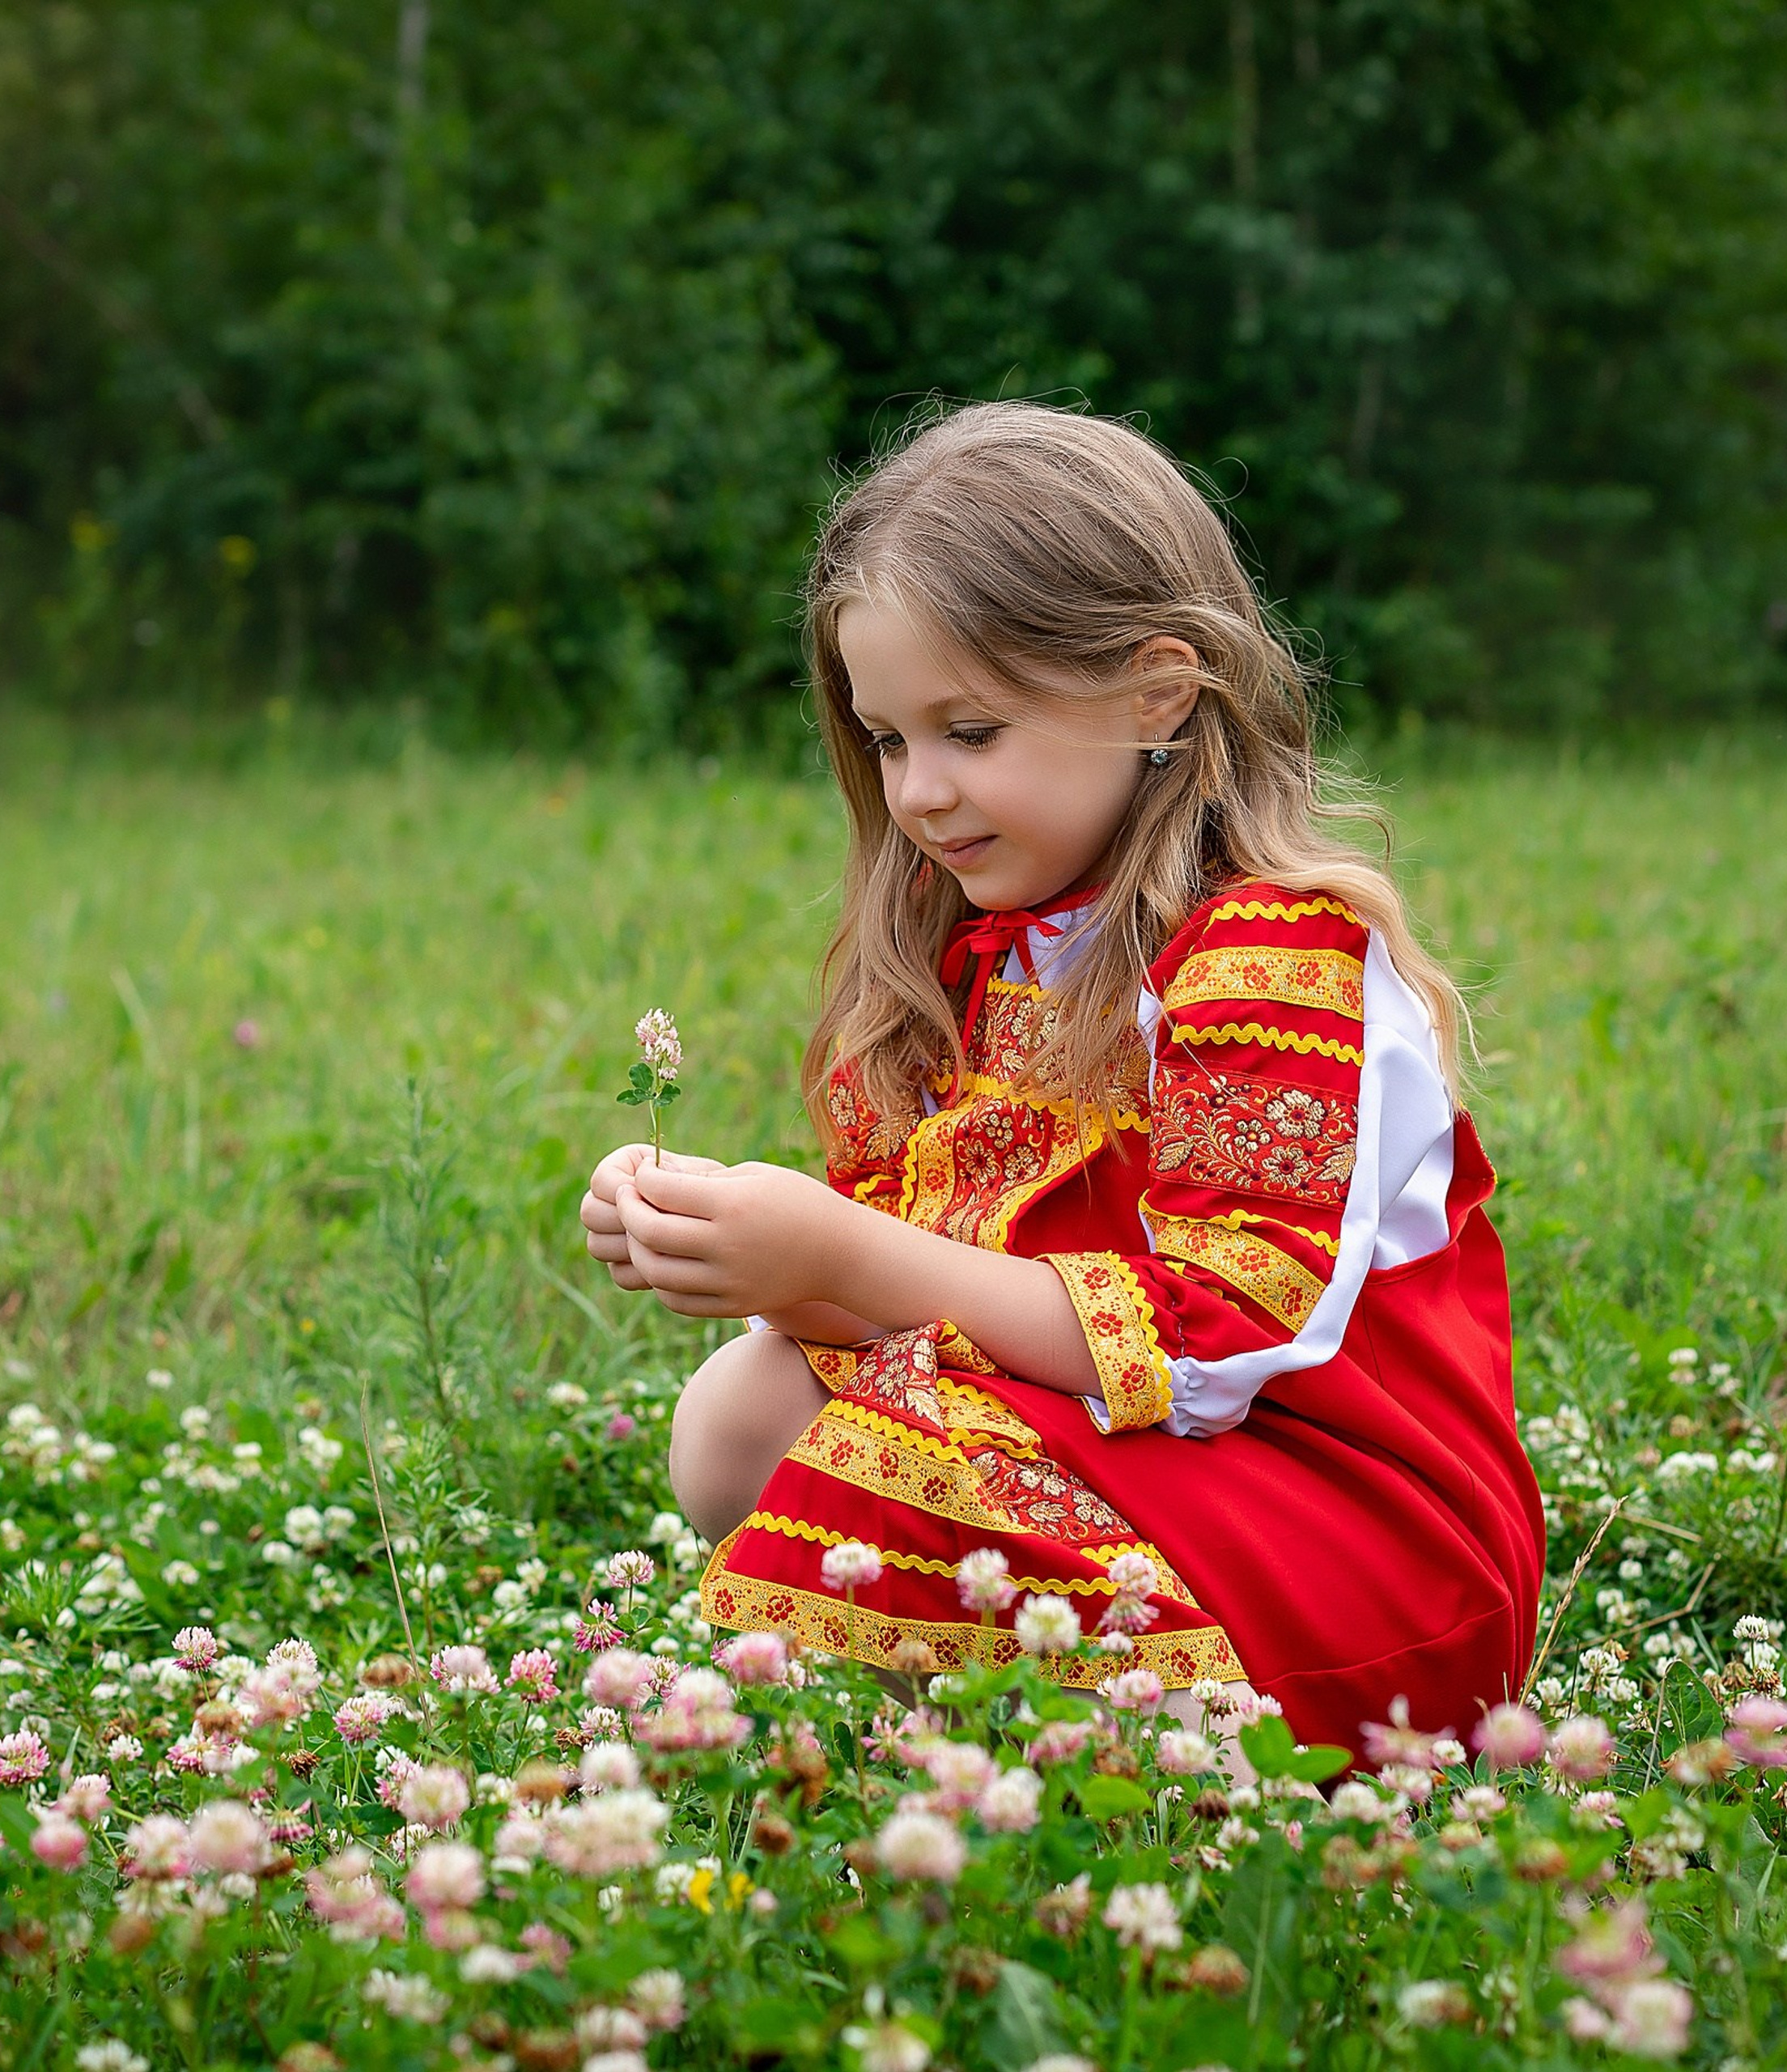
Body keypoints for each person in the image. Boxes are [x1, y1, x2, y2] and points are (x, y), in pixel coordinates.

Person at [578, 401, 1543, 1758]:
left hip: (1351, 1538)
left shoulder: (1270, 961)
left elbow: (1218, 1343)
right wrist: (741, 1245)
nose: (916, 792)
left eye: (969, 731)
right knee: (746, 1407)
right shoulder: (977, 946)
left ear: (1159, 692)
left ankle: (1160, 1769)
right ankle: (1026, 1760)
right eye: (888, 739)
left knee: (852, 1430)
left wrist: (841, 1247)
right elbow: (942, 1288)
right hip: (1149, 1462)